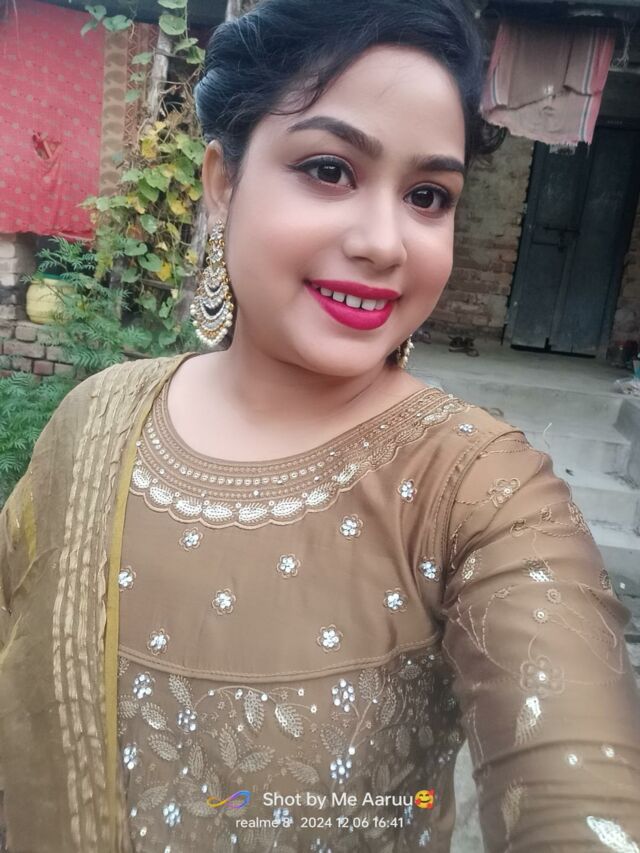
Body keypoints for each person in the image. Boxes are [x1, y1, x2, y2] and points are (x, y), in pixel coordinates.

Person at [1, 0, 639, 850]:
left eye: (428, 195)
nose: (385, 243)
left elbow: (582, 796)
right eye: (330, 170)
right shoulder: (94, 421)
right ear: (223, 182)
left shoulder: (479, 491)